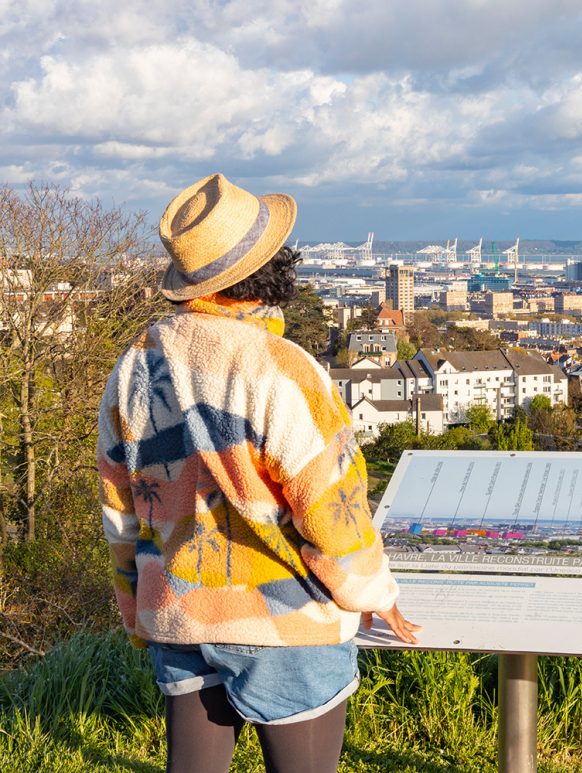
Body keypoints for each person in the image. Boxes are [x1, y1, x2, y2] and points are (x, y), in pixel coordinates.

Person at [97, 173, 419, 773]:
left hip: (178, 609)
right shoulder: (279, 368)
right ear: (269, 269)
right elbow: (331, 508)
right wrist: (372, 594)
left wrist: (136, 607)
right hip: (284, 617)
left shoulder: (134, 367)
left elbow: (120, 510)